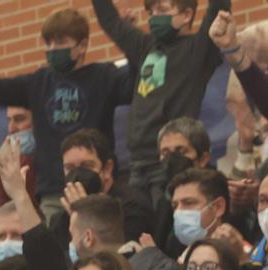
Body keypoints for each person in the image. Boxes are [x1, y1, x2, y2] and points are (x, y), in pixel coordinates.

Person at [0, 8, 128, 208]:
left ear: (82, 46)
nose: (52, 49)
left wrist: (127, 32)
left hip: (98, 186)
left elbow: (137, 83)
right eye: (48, 43)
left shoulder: (103, 76)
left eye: (60, 42)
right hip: (54, 192)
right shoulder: (39, 82)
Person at [90, 0, 227, 195]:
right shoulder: (146, 46)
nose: (154, 17)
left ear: (187, 15)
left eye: (162, 10)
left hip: (170, 159)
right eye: (151, 12)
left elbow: (218, 10)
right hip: (137, 162)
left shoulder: (198, 48)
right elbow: (111, 22)